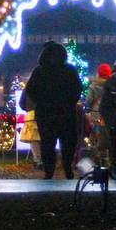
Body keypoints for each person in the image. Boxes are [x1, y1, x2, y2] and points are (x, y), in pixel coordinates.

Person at [20, 42, 83, 179]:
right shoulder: (70, 70)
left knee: (47, 143)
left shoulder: (39, 71)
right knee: (68, 142)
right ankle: (67, 169)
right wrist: (69, 102)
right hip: (66, 113)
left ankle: (49, 171)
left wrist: (41, 102)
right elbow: (77, 89)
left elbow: (30, 89)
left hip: (46, 113)